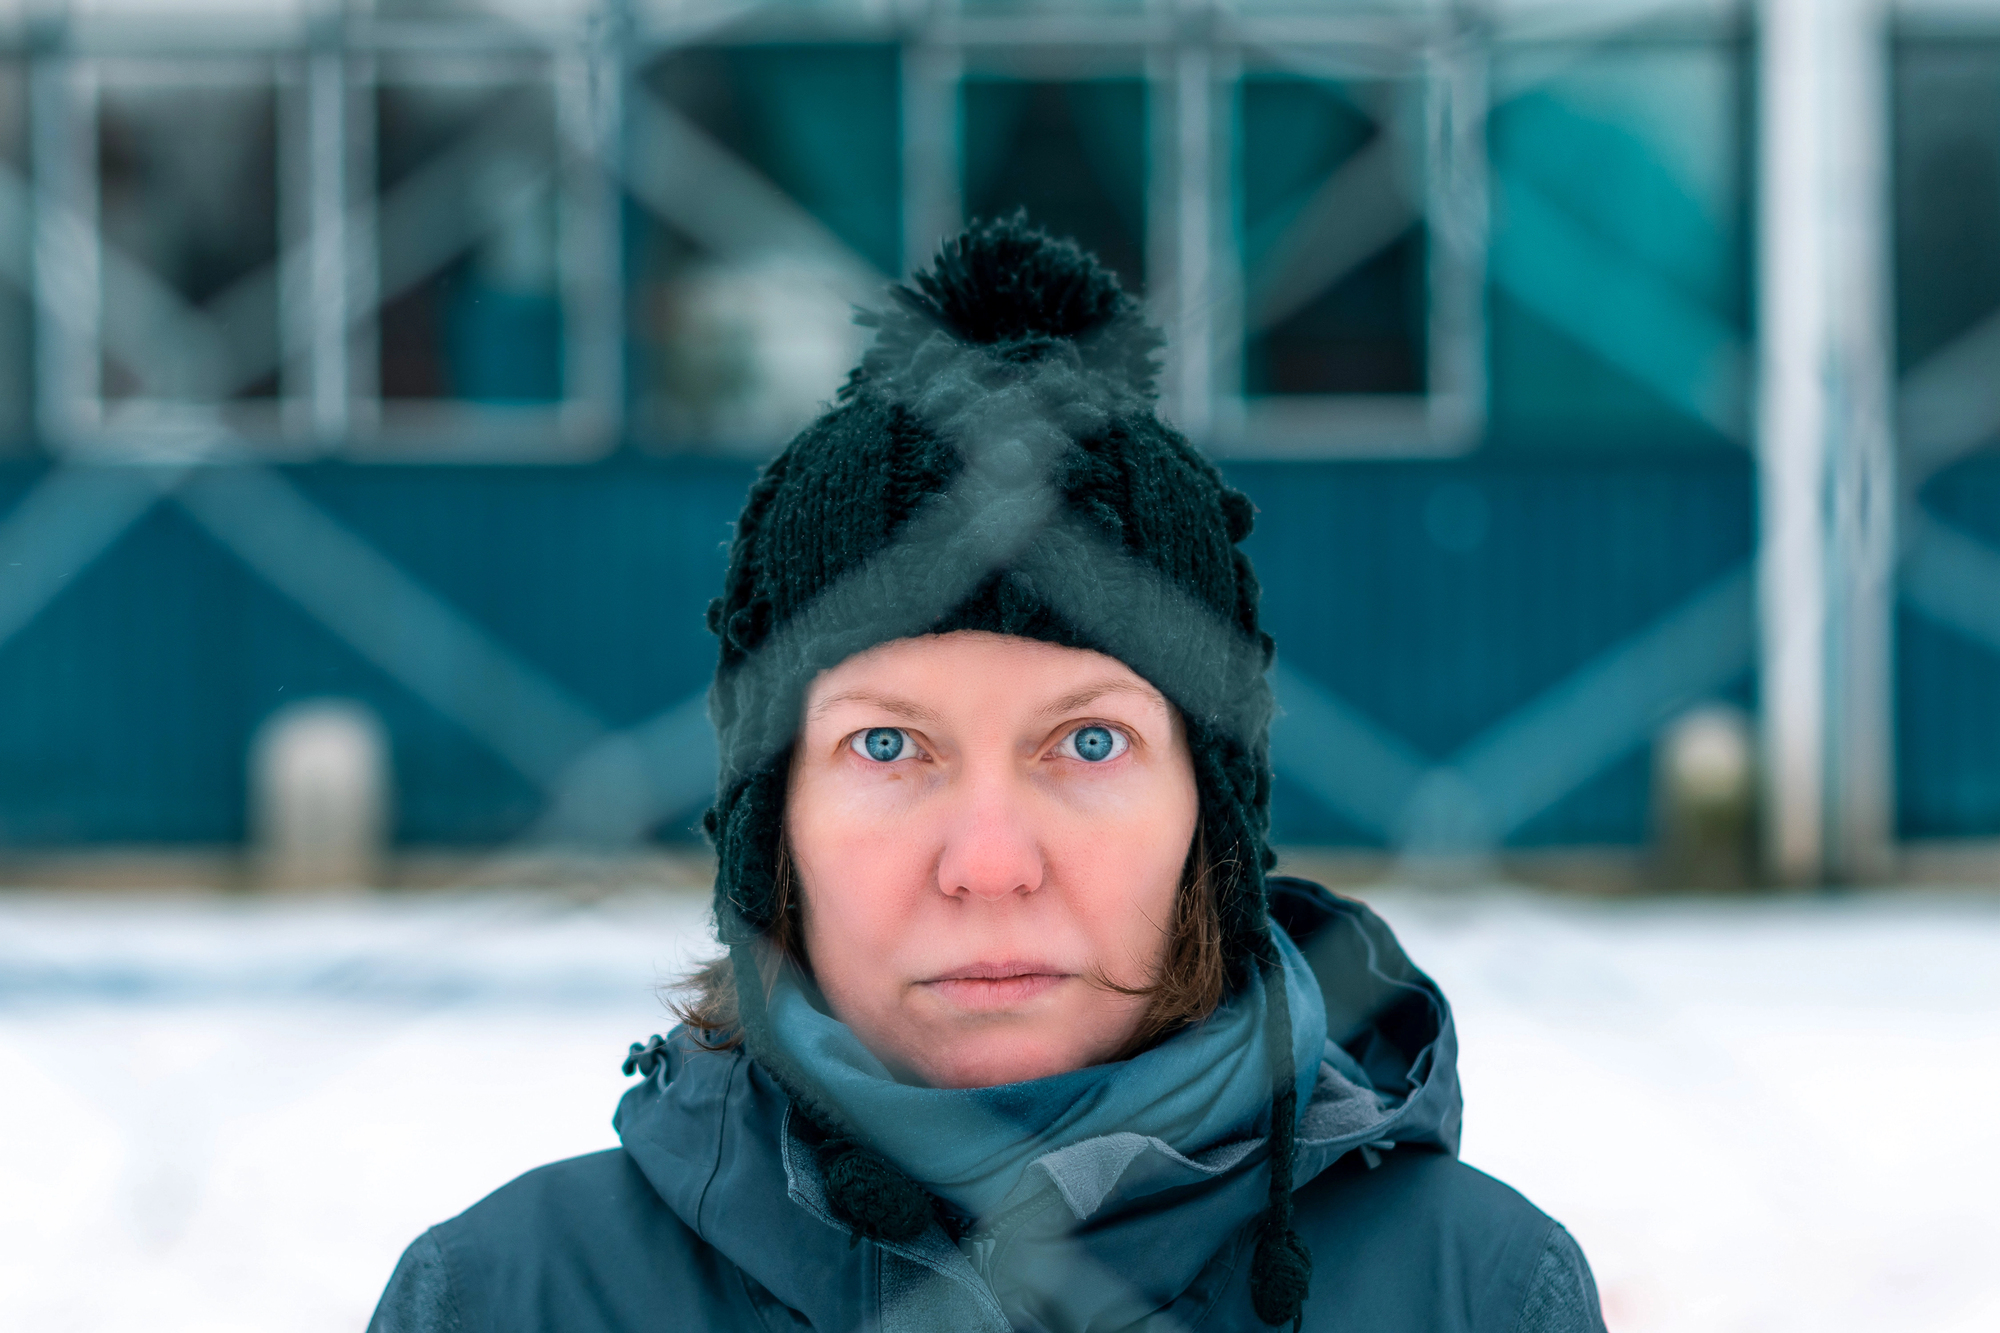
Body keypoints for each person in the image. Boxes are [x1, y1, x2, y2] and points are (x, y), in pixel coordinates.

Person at [368, 215, 1605, 1332]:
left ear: (1210, 818)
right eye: (888, 746)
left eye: (1087, 742)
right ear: (769, 825)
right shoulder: (510, 1297)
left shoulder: (1473, 1292)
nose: (989, 865)